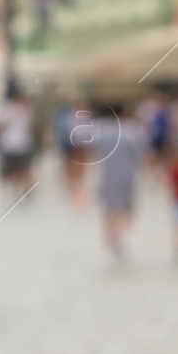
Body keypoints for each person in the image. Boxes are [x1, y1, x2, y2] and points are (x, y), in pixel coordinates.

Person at [93, 103, 150, 260]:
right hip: (127, 175)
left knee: (109, 208)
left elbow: (92, 149)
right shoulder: (132, 132)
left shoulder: (101, 132)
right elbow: (140, 155)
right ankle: (118, 236)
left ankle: (110, 238)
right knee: (127, 209)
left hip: (107, 175)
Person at [0, 85, 36, 201]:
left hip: (22, 144)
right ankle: (15, 191)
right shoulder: (4, 109)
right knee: (11, 170)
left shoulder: (25, 108)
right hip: (8, 144)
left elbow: (30, 124)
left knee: (24, 167)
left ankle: (24, 189)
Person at [53, 97, 91, 211]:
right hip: (71, 144)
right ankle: (72, 186)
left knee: (79, 166)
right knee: (71, 166)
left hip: (81, 145)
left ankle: (76, 185)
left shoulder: (85, 116)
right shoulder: (67, 117)